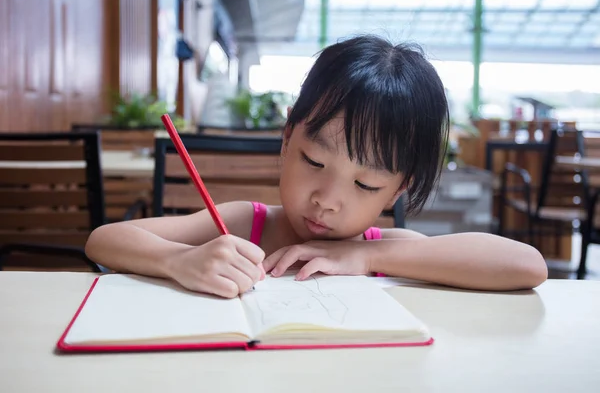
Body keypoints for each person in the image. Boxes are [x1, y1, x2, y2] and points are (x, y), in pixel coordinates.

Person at [85, 35, 547, 298]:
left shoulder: (384, 247)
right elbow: (104, 240)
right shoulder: (248, 224)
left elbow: (526, 265)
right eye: (313, 160)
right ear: (287, 139)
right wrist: (179, 260)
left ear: (398, 190)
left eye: (366, 184)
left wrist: (366, 257)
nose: (327, 200)